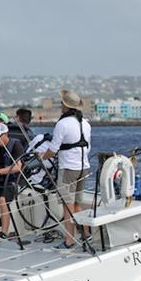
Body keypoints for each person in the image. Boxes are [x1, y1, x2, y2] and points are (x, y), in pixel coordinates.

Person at [40, 89, 92, 249]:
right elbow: (87, 147)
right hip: (84, 168)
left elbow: (53, 150)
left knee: (67, 205)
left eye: (62, 103)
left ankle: (69, 241)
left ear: (65, 106)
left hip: (68, 169)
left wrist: (41, 157)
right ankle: (86, 234)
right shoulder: (86, 123)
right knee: (77, 203)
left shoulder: (62, 124)